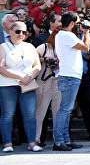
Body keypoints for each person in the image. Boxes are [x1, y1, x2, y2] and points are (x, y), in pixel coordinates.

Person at [0, 20, 42, 152]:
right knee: (8, 114)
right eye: (18, 31)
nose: (21, 34)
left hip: (27, 84)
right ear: (10, 32)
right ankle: (7, 143)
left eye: (24, 32)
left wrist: (30, 76)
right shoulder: (3, 46)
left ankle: (32, 143)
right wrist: (21, 77)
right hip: (8, 84)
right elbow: (1, 68)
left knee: (30, 114)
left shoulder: (30, 47)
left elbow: (37, 65)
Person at [53, 11, 90, 151]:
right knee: (65, 109)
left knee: (67, 109)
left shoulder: (63, 35)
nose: (79, 25)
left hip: (70, 75)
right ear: (71, 23)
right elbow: (86, 48)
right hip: (69, 76)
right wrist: (86, 32)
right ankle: (59, 141)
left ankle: (66, 140)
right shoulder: (66, 35)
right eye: (77, 22)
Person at [33, 24, 61, 147]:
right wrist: (45, 59)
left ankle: (58, 139)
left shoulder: (64, 49)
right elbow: (32, 58)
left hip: (58, 81)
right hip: (44, 80)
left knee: (58, 112)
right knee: (40, 112)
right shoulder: (44, 47)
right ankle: (36, 139)